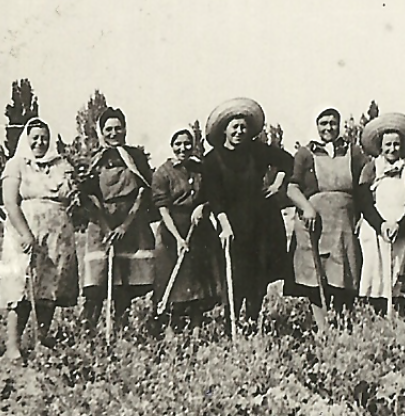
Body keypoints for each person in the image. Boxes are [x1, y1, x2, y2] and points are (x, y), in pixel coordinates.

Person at [202, 98, 293, 325]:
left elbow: (286, 160)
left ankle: (253, 319)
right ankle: (231, 321)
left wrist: (278, 183)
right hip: (231, 223)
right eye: (235, 127)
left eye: (243, 127)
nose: (240, 131)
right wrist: (224, 224)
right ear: (225, 130)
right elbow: (214, 197)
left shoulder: (258, 151)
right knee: (234, 273)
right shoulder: (212, 159)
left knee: (259, 272)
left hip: (262, 220)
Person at [0, 118, 79, 361]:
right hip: (25, 234)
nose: (40, 142)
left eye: (44, 137)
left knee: (49, 292)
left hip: (57, 236)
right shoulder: (17, 165)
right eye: (35, 137)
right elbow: (11, 203)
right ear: (27, 138)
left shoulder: (62, 164)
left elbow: (73, 196)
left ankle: (40, 339)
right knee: (21, 290)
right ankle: (12, 347)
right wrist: (26, 234)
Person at [285, 108, 369, 330]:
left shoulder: (353, 151)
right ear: (317, 126)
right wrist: (307, 208)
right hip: (314, 222)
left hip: (344, 222)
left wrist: (362, 217)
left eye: (333, 123)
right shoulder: (305, 153)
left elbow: (364, 189)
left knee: (344, 273)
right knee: (316, 276)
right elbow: (292, 189)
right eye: (323, 123)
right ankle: (323, 329)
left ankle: (344, 327)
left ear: (339, 125)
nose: (328, 127)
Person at [78, 107, 157, 332]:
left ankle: (120, 329)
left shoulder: (136, 157)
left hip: (131, 224)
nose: (113, 133)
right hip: (101, 224)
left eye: (118, 128)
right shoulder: (93, 160)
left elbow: (144, 191)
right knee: (96, 281)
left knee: (124, 281)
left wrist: (125, 224)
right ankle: (88, 331)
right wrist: (106, 226)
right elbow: (89, 196)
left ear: (125, 129)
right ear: (101, 131)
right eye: (108, 129)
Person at [152, 127, 222, 326]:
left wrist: (203, 206)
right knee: (173, 278)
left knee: (199, 280)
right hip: (173, 230)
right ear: (172, 146)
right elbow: (162, 209)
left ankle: (197, 327)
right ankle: (170, 328)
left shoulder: (201, 168)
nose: (183, 148)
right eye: (178, 144)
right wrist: (178, 238)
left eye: (187, 143)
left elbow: (213, 195)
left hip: (200, 228)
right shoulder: (163, 172)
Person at [357, 113, 405, 314]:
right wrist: (381, 225)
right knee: (375, 271)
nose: (392, 149)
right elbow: (364, 201)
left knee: (398, 270)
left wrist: (401, 226)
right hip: (375, 227)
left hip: (400, 228)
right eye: (388, 144)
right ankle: (373, 315)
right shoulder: (371, 168)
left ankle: (398, 315)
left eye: (396, 144)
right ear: (380, 146)